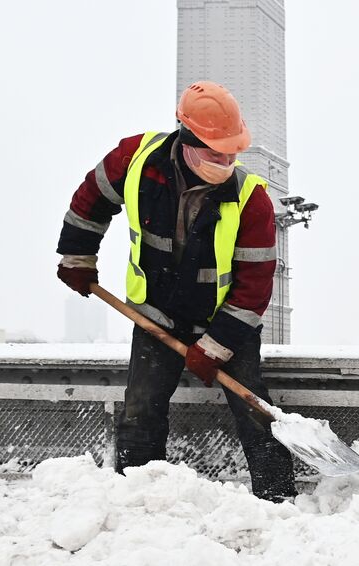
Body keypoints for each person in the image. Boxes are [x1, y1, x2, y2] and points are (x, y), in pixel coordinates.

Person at [55, 81, 294, 501]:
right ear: (186, 140)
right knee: (140, 410)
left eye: (233, 152)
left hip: (226, 324)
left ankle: (277, 498)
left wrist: (217, 346)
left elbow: (255, 285)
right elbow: (90, 200)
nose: (226, 161)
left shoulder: (251, 200)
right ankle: (137, 497)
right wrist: (77, 256)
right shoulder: (134, 161)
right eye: (215, 152)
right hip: (155, 316)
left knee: (255, 410)